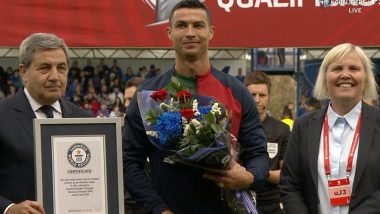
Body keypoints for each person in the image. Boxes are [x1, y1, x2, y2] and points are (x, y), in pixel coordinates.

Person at [123, 1, 269, 214]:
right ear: (169, 32)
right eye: (181, 25)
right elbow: (130, 163)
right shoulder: (147, 97)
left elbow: (258, 153)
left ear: (211, 32)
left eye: (198, 25)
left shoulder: (237, 92)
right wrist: (159, 209)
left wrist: (249, 177)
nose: (190, 32)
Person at [280, 43, 380, 213]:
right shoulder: (303, 126)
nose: (345, 75)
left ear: (366, 78)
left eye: (354, 68)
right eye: (337, 68)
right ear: (325, 78)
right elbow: (289, 185)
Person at [0, 33, 93, 214]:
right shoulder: (2, 116)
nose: (54, 76)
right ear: (23, 72)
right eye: (44, 68)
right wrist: (9, 209)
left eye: (61, 68)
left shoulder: (83, 119)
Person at [244, 71, 290, 214]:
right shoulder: (234, 126)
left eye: (262, 95)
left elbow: (287, 175)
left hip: (272, 206)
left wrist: (260, 173)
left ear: (269, 97)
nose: (257, 100)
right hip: (239, 202)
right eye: (252, 95)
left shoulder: (282, 129)